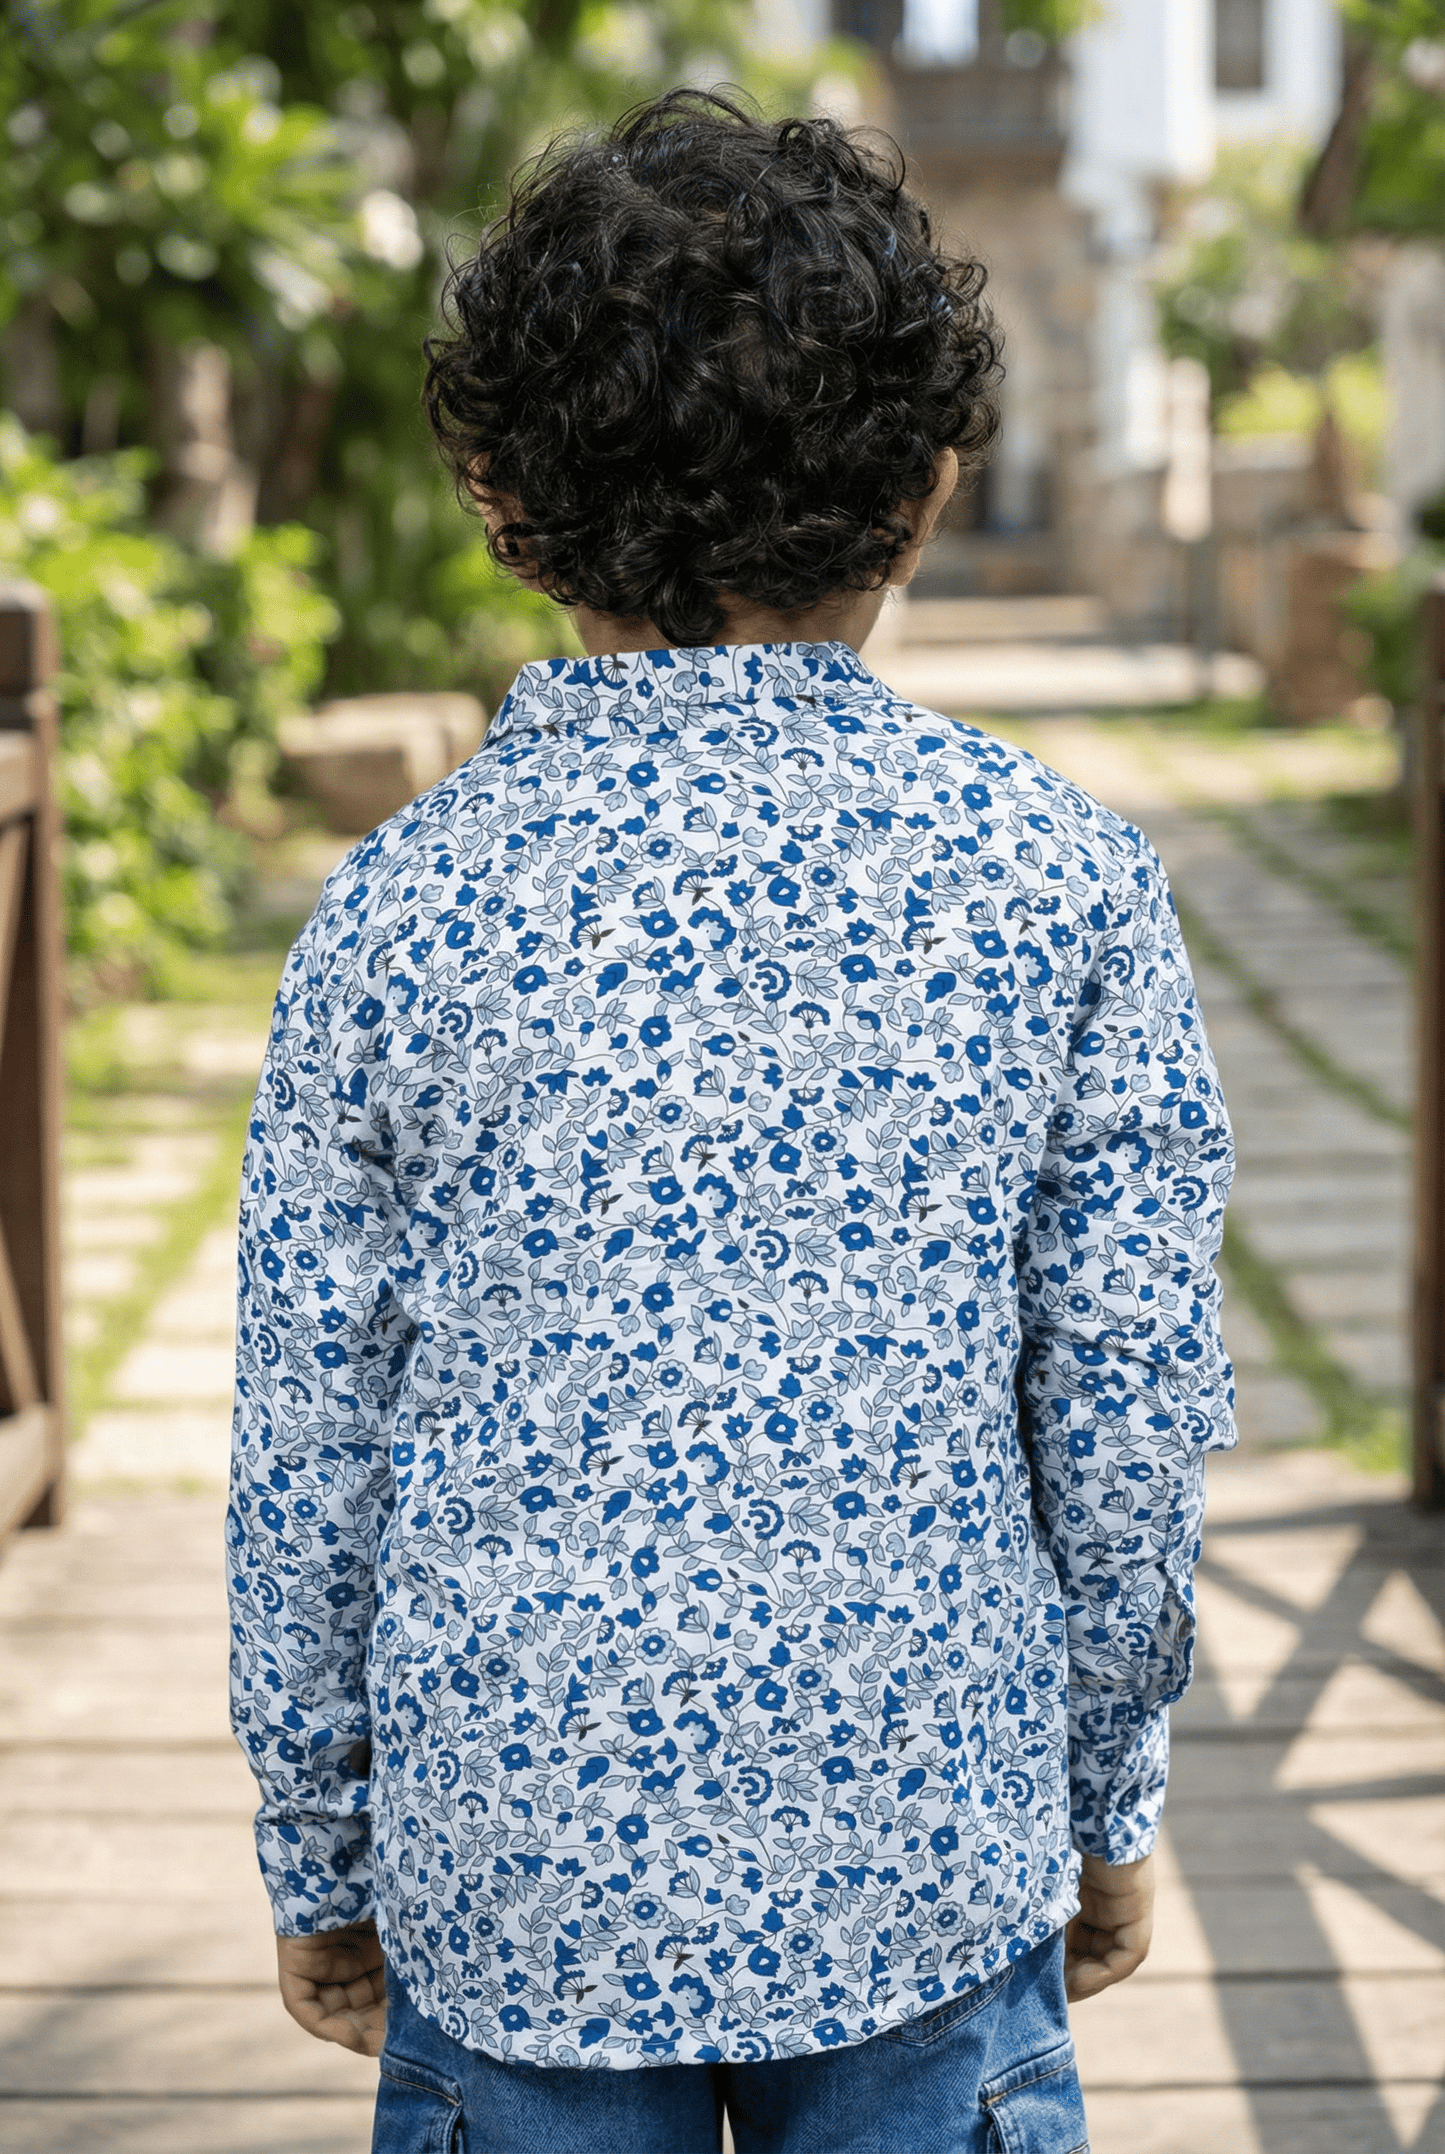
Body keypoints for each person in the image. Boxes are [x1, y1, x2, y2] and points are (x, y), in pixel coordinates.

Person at [227, 89, 1236, 2154]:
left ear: (499, 497)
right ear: (926, 492)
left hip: (511, 1870)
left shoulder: (397, 910)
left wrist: (320, 1850)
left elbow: (310, 1441)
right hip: (926, 1846)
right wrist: (1103, 1795)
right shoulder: (1055, 880)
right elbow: (1129, 1400)